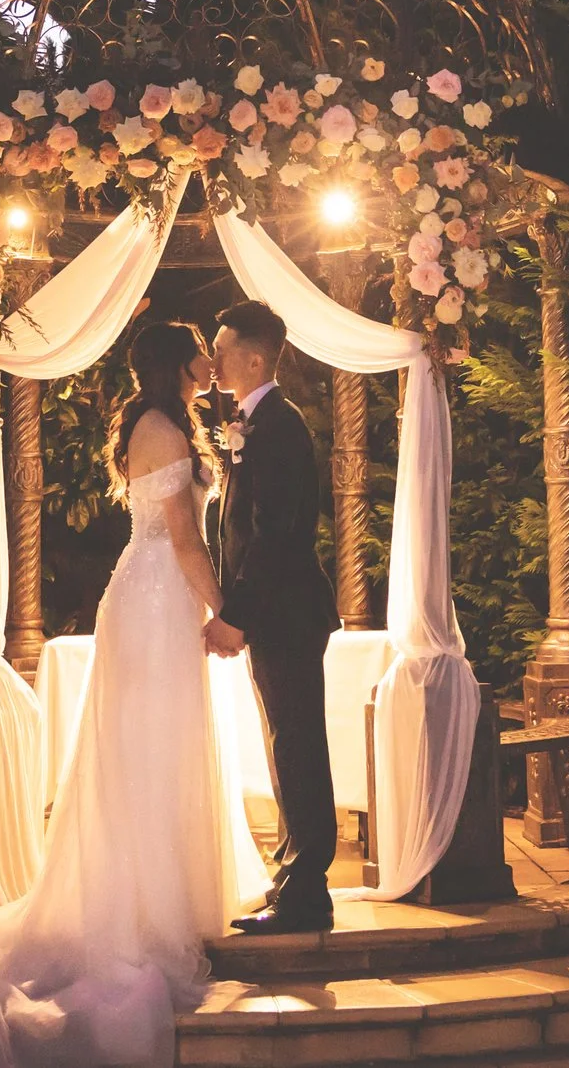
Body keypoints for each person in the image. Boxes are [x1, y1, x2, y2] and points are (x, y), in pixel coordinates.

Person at [0, 321, 266, 1068]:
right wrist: (224, 611)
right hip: (153, 599)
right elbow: (180, 535)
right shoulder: (158, 426)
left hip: (159, 598)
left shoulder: (173, 421)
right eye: (203, 348)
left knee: (166, 742)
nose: (211, 359)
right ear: (179, 360)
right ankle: (138, 902)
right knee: (146, 747)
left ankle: (175, 888)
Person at [204, 298, 340, 934]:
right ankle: (293, 877)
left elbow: (275, 533)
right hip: (277, 616)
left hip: (286, 614)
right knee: (287, 745)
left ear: (253, 358)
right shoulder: (257, 422)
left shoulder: (278, 427)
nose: (213, 360)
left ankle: (308, 893)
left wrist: (236, 613)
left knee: (299, 747)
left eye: (223, 348)